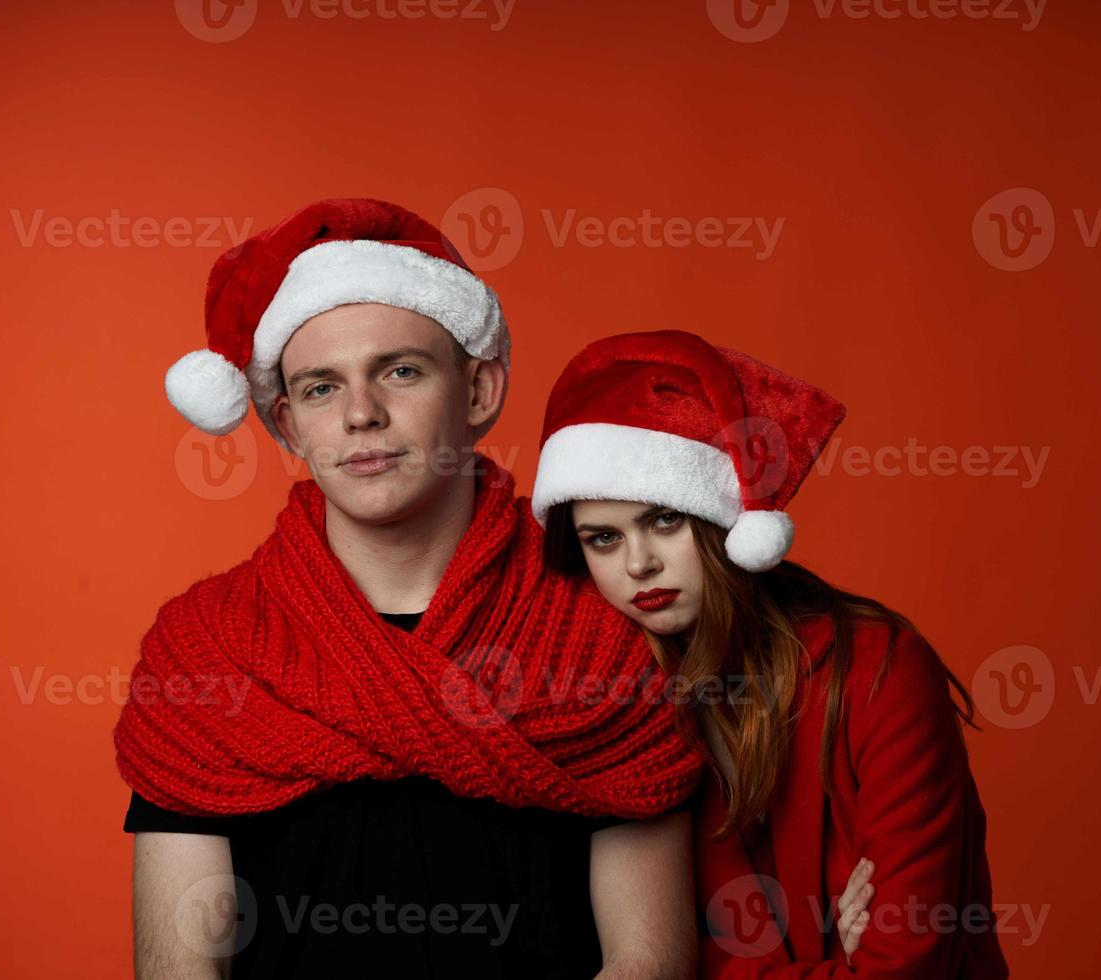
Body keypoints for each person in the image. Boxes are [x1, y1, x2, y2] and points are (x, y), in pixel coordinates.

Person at [113, 201, 704, 979]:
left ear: (481, 391)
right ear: (288, 424)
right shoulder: (205, 648)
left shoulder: (604, 623)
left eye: (400, 370)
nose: (362, 414)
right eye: (322, 388)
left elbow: (649, 964)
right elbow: (181, 973)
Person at [532, 329, 1009, 978]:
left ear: (723, 516)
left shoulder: (878, 670)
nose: (639, 563)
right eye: (603, 538)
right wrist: (845, 961)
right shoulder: (611, 704)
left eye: (665, 520)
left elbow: (907, 963)